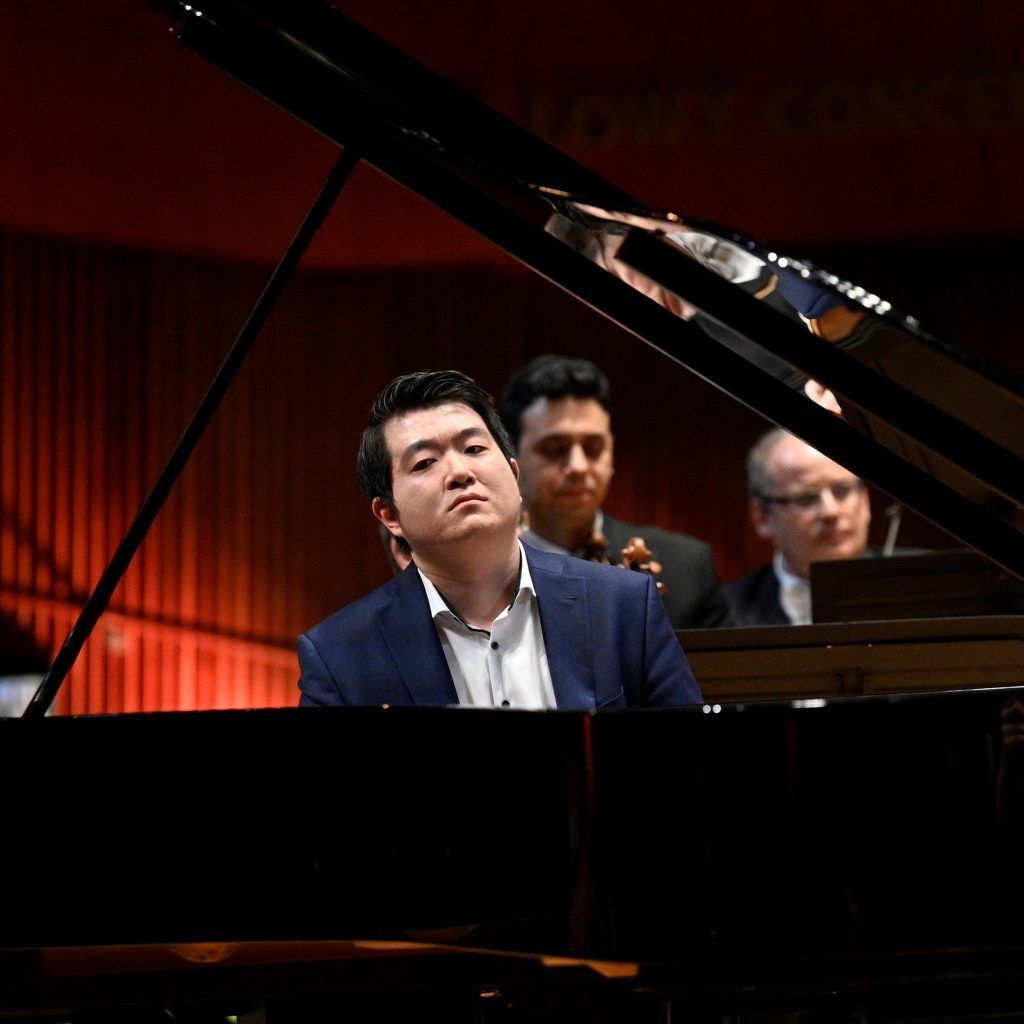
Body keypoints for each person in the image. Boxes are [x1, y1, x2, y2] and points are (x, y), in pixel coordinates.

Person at [298, 370, 701, 709]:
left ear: (515, 475)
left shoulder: (624, 605)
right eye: (424, 462)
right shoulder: (339, 656)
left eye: (474, 448)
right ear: (389, 515)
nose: (460, 472)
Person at [499, 355, 732, 629]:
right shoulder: (481, 573)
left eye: (594, 448)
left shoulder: (687, 566)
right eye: (554, 449)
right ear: (512, 460)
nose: (578, 466)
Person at [724, 428, 871, 625]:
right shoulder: (725, 612)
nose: (831, 511)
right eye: (807, 498)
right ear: (762, 517)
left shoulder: (915, 582)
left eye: (842, 490)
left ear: (865, 500)